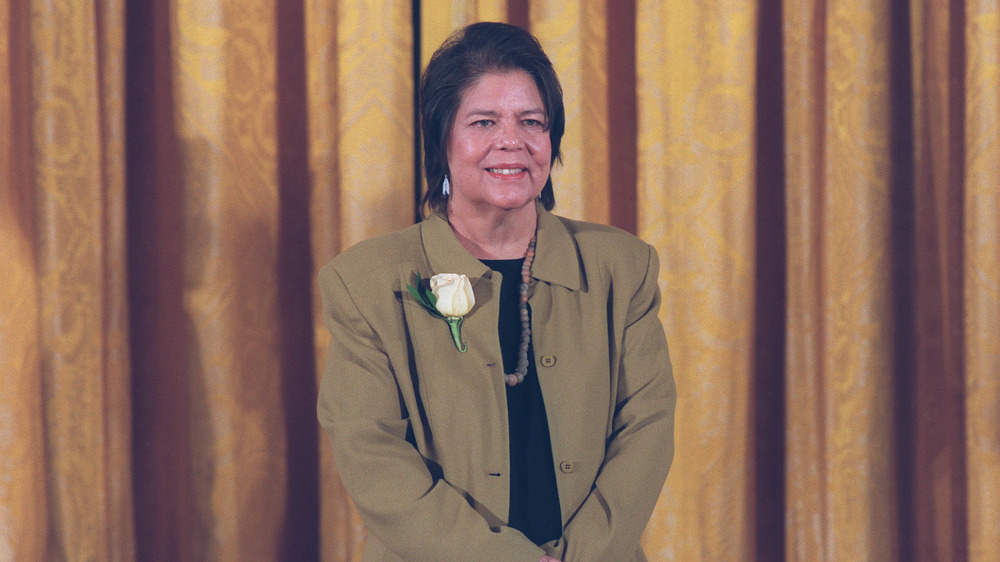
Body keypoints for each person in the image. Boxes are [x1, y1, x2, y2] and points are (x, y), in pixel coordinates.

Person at [317, 22, 675, 561]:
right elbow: (373, 456)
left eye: (532, 121)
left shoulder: (620, 267)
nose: (512, 141)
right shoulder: (367, 282)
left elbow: (646, 429)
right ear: (442, 138)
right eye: (484, 121)